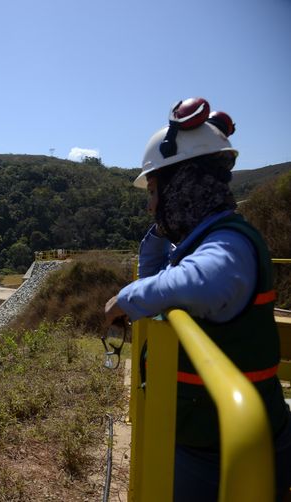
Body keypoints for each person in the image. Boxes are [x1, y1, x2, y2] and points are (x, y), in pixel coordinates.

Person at [104, 97, 291, 501]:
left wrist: (125, 298)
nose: (151, 203)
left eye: (155, 190)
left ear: (183, 186)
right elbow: (158, 272)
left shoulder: (229, 243)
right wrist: (162, 227)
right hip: (205, 438)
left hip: (228, 453)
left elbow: (197, 282)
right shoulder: (203, 237)